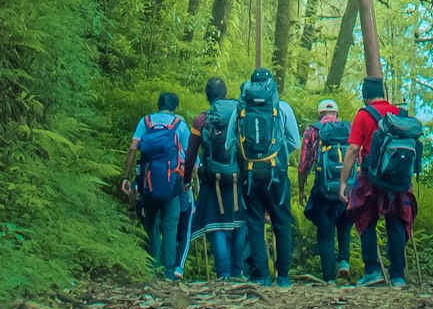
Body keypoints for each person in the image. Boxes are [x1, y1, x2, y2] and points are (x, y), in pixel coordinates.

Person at [339, 76, 420, 288]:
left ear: (365, 95)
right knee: (396, 222)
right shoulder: (400, 114)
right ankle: (397, 275)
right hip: (399, 178)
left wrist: (343, 181)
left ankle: (372, 271)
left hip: (370, 176)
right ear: (383, 92)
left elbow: (353, 149)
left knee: (365, 219)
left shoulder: (364, 115)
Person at [226, 67, 300, 289]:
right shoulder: (282, 108)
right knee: (282, 222)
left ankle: (261, 276)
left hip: (249, 175)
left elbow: (230, 142)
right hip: (276, 174)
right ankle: (284, 276)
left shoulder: (241, 109)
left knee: (256, 223)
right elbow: (294, 142)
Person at [121, 91, 191, 280]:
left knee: (151, 224)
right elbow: (187, 155)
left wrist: (126, 178)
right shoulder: (180, 125)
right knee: (170, 226)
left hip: (148, 183)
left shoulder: (145, 122)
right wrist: (188, 181)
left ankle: (151, 268)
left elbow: (133, 148)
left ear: (158, 105)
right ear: (175, 108)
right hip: (172, 185)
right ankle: (169, 272)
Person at [184, 76, 247, 280]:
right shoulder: (241, 114)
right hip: (239, 177)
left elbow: (191, 153)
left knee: (216, 225)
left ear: (207, 96)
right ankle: (238, 271)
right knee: (238, 222)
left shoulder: (201, 120)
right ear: (226, 93)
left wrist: (186, 180)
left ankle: (223, 274)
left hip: (212, 180)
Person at [298, 98, 355, 282]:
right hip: (346, 187)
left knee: (325, 231)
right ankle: (344, 261)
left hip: (323, 189)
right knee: (345, 225)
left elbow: (304, 164)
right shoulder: (348, 129)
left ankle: (329, 277)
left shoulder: (313, 131)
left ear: (319, 114)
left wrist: (301, 189)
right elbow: (357, 157)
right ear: (337, 114)